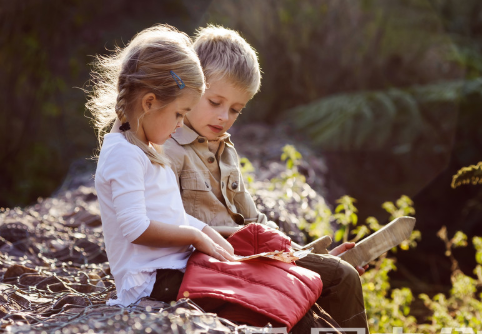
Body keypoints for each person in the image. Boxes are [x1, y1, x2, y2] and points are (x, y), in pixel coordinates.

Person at [163, 25, 370, 333]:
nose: (224, 117)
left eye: (236, 109)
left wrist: (302, 254)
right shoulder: (169, 148)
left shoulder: (224, 150)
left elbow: (252, 219)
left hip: (252, 256)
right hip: (217, 265)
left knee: (341, 276)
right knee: (331, 287)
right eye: (215, 102)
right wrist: (274, 251)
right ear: (190, 87)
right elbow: (170, 222)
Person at [88, 24, 235, 307]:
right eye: (179, 114)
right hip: (149, 281)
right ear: (149, 103)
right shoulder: (124, 154)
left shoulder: (147, 147)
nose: (181, 124)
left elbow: (170, 215)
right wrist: (194, 235)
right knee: (236, 287)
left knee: (239, 264)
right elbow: (136, 229)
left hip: (169, 269)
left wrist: (204, 231)